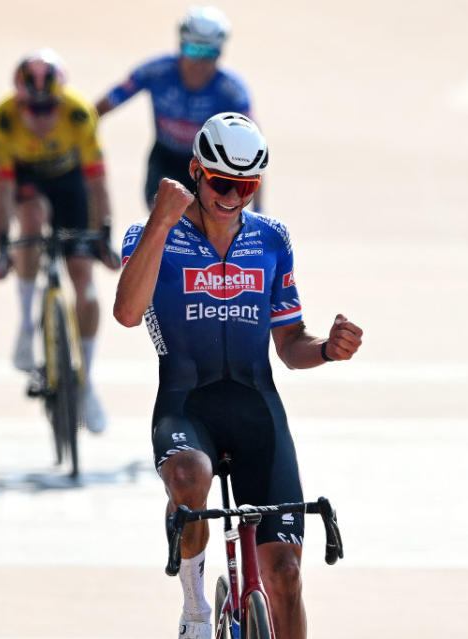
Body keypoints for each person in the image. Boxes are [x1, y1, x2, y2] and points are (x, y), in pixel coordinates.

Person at [113, 113, 363, 639]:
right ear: (196, 173)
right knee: (188, 478)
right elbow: (127, 313)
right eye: (222, 182)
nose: (232, 196)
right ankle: (196, 611)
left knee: (287, 575)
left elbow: (291, 345)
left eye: (245, 186)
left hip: (256, 408)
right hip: (187, 405)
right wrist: (161, 222)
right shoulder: (148, 234)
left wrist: (328, 349)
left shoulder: (272, 239)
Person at [0, 49, 119, 434]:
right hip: (28, 183)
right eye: (34, 109)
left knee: (87, 288)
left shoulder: (79, 114)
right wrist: (1, 247)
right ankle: (28, 328)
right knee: (31, 217)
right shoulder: (4, 120)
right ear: (18, 101)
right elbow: (1, 194)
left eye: (49, 110)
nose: (41, 118)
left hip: (70, 184)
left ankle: (86, 383)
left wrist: (104, 236)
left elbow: (98, 184)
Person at [95, 5, 262, 210]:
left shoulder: (232, 91)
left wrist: (259, 209)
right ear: (180, 45)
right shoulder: (156, 71)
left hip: (208, 164)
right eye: (193, 50)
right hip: (165, 159)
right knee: (163, 215)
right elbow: (103, 106)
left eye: (209, 53)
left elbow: (254, 153)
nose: (199, 62)